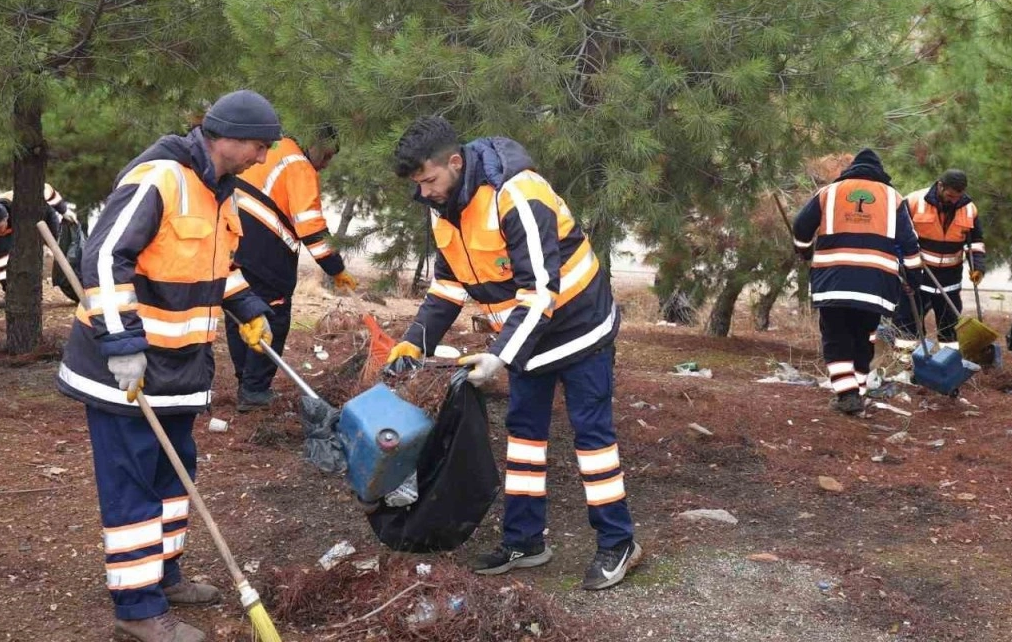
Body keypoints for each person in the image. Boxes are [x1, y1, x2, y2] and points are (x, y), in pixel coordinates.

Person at [56, 90, 281, 642]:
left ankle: (164, 575)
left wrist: (248, 307)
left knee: (174, 474)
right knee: (132, 483)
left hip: (181, 368)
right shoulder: (160, 179)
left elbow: (214, 266)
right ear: (227, 135)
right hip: (125, 369)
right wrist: (122, 343)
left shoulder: (220, 193)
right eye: (258, 145)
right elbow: (105, 258)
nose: (261, 156)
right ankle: (136, 609)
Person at [384, 116, 640, 590]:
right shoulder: (444, 207)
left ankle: (618, 541)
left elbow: (541, 291)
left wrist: (498, 356)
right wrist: (413, 340)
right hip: (526, 341)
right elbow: (446, 287)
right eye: (418, 185)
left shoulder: (517, 194)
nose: (424, 194)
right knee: (524, 438)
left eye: (429, 181)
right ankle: (525, 541)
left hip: (580, 328)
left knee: (593, 438)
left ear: (455, 163)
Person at [227, 123, 356, 411]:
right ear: (316, 143)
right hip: (267, 253)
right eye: (328, 155)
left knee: (240, 310)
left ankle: (243, 380)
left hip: (234, 242)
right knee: (273, 316)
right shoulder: (299, 165)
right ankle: (254, 389)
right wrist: (335, 268)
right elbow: (311, 230)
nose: (325, 164)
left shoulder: (271, 149)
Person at [792, 148, 924, 415]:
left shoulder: (829, 193)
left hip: (833, 281)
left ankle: (847, 393)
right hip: (876, 286)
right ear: (880, 172)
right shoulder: (893, 197)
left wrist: (804, 250)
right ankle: (857, 394)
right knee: (864, 337)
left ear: (851, 169)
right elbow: (910, 244)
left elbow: (801, 227)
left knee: (836, 336)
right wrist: (913, 278)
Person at [894, 170, 986, 350]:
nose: (953, 200)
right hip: (918, 276)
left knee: (950, 327)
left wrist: (979, 267)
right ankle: (905, 365)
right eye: (950, 196)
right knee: (908, 323)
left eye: (957, 197)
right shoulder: (913, 201)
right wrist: (902, 267)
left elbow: (975, 242)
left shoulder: (969, 209)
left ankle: (948, 365)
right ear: (940, 185)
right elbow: (898, 237)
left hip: (949, 280)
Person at [0, 183, 72, 304]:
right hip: (16, 226)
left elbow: (46, 188)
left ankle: (77, 282)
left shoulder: (20, 202)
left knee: (60, 250)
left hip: (42, 214)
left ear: (6, 217)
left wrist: (64, 211)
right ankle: (11, 293)